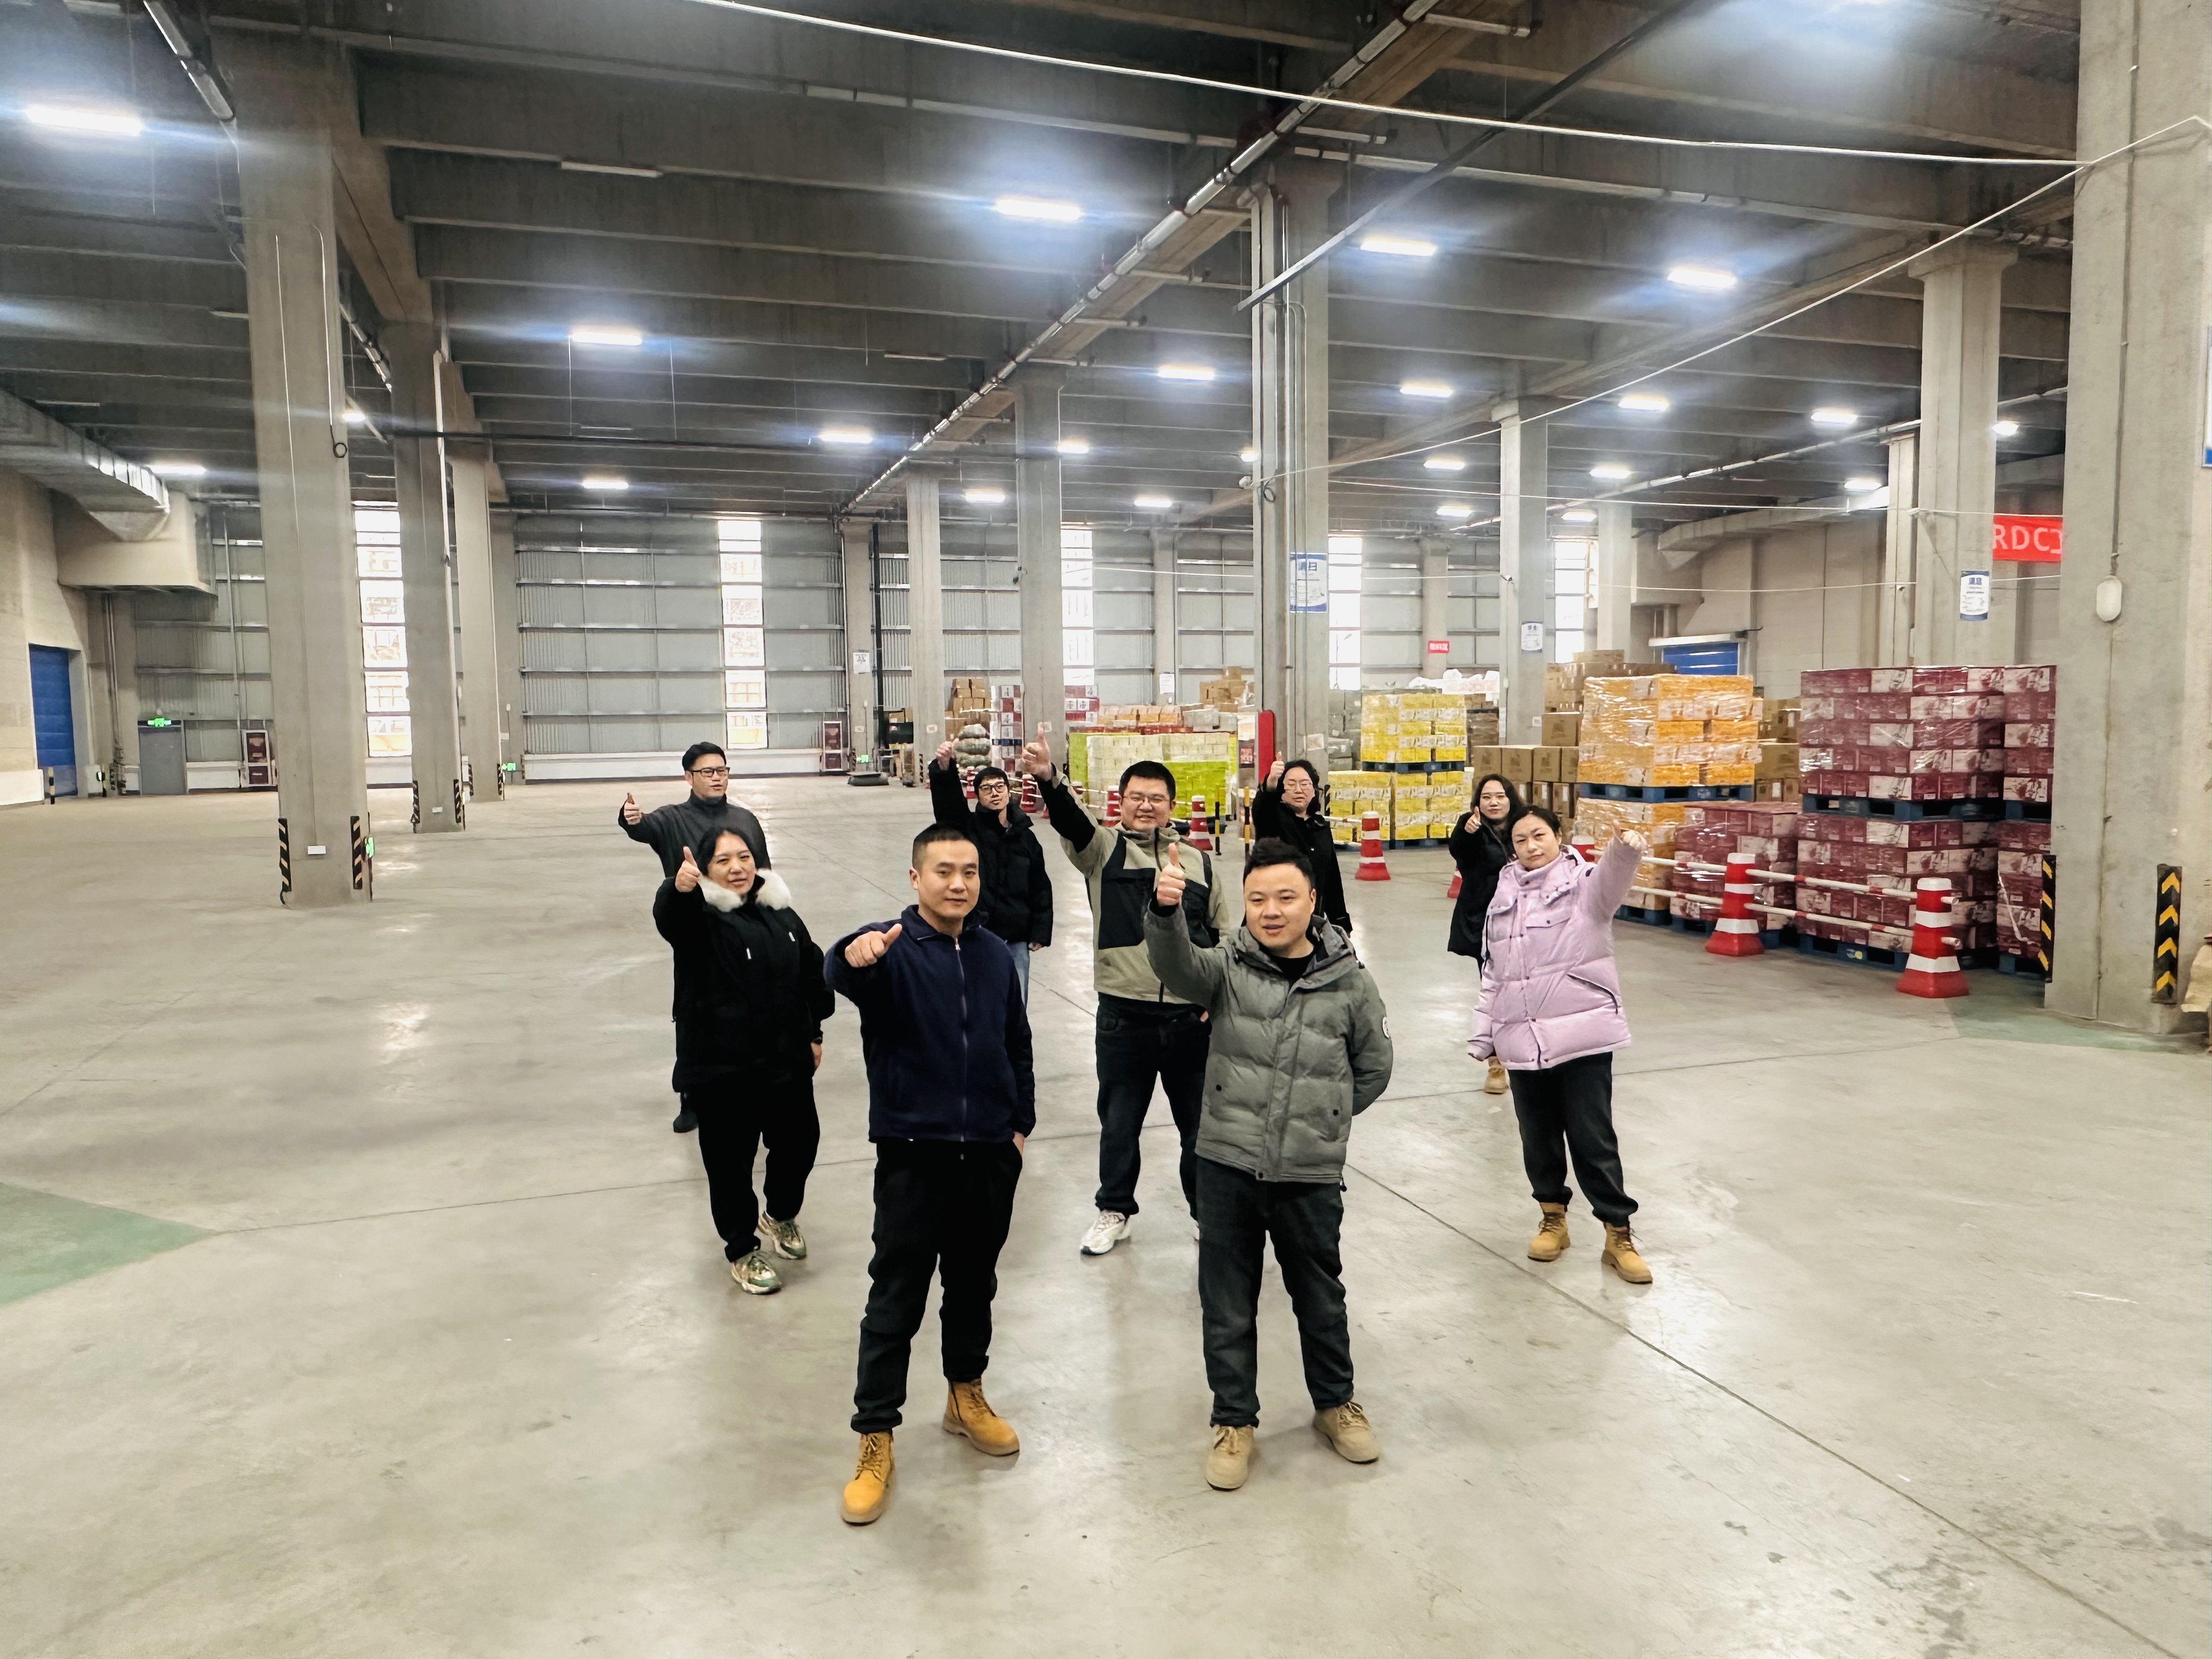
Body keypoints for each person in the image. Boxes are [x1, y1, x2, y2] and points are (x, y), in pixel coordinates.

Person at [1146, 837, 1393, 1493]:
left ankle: (1335, 1405)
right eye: (1257, 899)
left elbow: (1374, 1066)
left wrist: (1322, 1119)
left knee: (1321, 1296)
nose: (1271, 911)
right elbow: (1176, 967)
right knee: (1228, 1302)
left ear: (1313, 900)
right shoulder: (1228, 966)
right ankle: (1234, 1421)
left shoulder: (1349, 979)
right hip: (1226, 1162)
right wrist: (1166, 914)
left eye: (1285, 897)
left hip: (1309, 1173)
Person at [825, 823, 1034, 1527]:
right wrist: (853, 952)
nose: (958, 883)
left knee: (974, 1287)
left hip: (989, 1154)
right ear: (916, 878)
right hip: (914, 1156)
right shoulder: (891, 949)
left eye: (969, 871)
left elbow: (1016, 1042)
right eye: (943, 871)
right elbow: (841, 970)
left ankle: (964, 1395)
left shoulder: (994, 954)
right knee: (896, 1299)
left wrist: (1019, 1126)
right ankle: (875, 1437)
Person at [1019, 732, 1239, 1256]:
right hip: (1124, 1016)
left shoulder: (1200, 863)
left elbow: (1226, 936)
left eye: (1156, 798)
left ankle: (1207, 1214)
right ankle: (1114, 1211)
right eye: (1136, 797)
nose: (1146, 806)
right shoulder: (1103, 851)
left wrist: (1216, 998)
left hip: (1189, 1020)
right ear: (1121, 802)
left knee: (1199, 1127)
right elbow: (1072, 821)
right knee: (1119, 1123)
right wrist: (1049, 778)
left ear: (1171, 805)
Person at [1469, 805, 1654, 1285]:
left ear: (1558, 836)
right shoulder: (1503, 895)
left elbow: (1613, 880)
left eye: (1539, 835)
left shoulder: (1585, 886)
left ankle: (1618, 1235)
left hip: (1581, 1039)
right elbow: (1494, 973)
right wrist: (1485, 1033)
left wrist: (1624, 849)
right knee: (1539, 1138)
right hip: (1520, 1039)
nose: (1531, 846)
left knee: (1593, 1139)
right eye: (1521, 840)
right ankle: (1553, 1220)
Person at [653, 829, 832, 1295]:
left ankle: (779, 1214)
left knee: (800, 1145)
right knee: (730, 1165)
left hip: (786, 1061)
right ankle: (741, 1249)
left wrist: (813, 1032)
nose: (737, 867)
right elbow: (671, 920)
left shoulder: (781, 912)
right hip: (723, 1071)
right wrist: (678, 890)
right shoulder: (699, 919)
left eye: (744, 856)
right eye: (723, 860)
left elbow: (810, 972)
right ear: (706, 870)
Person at [620, 740, 774, 1134]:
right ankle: (691, 1096)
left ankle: (750, 1084)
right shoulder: (672, 819)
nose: (717, 778)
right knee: (694, 1014)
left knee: (749, 1008)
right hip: (696, 932)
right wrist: (630, 818)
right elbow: (642, 827)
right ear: (689, 777)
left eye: (722, 770)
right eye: (708, 772)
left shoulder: (745, 820)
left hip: (743, 928)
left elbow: (764, 873)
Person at [928, 740, 1054, 1000]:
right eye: (986, 789)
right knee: (980, 1003)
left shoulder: (1025, 837)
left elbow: (1040, 885)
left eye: (999, 786)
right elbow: (948, 807)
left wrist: (1041, 930)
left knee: (1016, 1003)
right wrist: (944, 768)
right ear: (978, 796)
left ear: (1009, 791)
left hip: (1017, 937)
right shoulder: (969, 829)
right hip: (978, 934)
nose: (994, 793)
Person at [1447, 773, 1524, 1098]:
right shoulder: (1472, 827)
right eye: (1487, 797)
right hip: (1487, 927)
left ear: (1510, 799)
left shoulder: (1525, 826)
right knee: (1496, 993)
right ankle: (1496, 1063)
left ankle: (1530, 1056)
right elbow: (1459, 851)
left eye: (1500, 796)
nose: (1494, 802)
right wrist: (1468, 832)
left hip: (1528, 923)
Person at [1251, 755, 1350, 935]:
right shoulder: (1273, 821)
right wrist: (1271, 782)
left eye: (1305, 784)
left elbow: (1332, 880)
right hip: (1275, 922)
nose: (1298, 790)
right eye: (1291, 784)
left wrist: (1341, 923)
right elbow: (1263, 807)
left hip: (1312, 923)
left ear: (1314, 790)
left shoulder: (1320, 826)